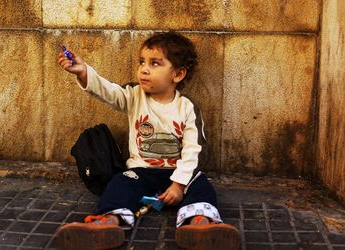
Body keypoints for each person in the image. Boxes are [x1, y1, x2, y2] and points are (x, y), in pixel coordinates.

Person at [57, 32, 241, 250]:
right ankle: (108, 223)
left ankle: (201, 225)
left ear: (178, 74)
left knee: (202, 186)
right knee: (120, 183)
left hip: (178, 174)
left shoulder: (186, 108)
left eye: (155, 64)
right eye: (142, 62)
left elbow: (194, 149)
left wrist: (179, 184)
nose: (144, 69)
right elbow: (108, 91)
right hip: (141, 173)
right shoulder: (134, 96)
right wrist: (83, 71)